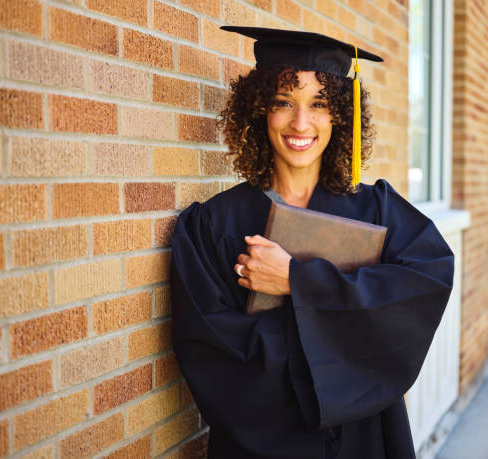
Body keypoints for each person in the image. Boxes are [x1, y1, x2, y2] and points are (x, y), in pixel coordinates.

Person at [170, 26, 455, 459]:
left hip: (364, 439)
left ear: (340, 114)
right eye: (284, 101)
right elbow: (212, 352)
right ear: (260, 109)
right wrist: (341, 345)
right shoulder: (215, 223)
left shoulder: (376, 209)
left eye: (319, 104)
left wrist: (297, 282)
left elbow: (423, 285)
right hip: (263, 445)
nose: (300, 123)